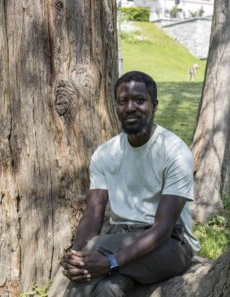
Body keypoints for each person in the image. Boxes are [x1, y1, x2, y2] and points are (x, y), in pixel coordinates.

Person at [61, 71, 200, 297]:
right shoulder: (105, 153)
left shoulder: (174, 152)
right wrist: (75, 255)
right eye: (122, 101)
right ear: (115, 106)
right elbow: (93, 213)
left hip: (172, 243)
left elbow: (163, 228)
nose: (130, 107)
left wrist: (110, 262)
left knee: (93, 252)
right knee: (108, 288)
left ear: (154, 105)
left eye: (139, 100)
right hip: (121, 237)